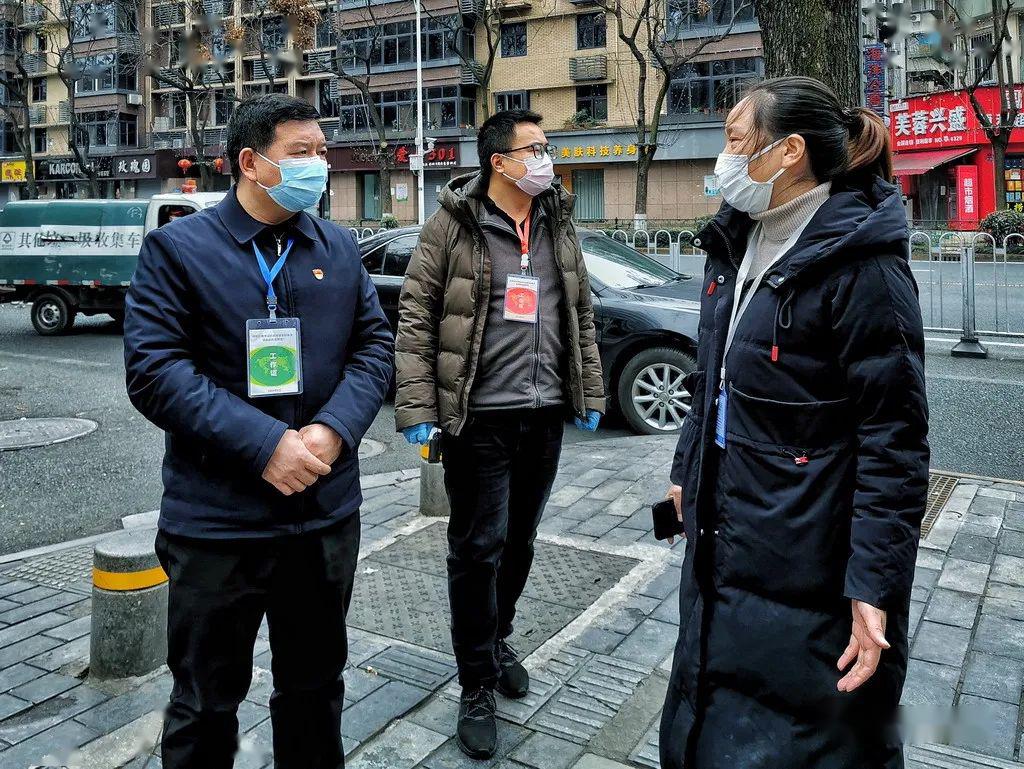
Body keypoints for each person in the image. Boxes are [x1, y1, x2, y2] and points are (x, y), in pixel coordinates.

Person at [659, 76, 930, 769]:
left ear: (789, 154)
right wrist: (685, 471)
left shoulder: (861, 265)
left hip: (809, 556)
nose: (722, 160)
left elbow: (893, 438)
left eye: (735, 140)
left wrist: (875, 586)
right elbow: (711, 376)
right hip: (728, 536)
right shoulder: (737, 242)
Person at [123, 94, 394, 769]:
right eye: (302, 153)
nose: (319, 165)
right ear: (251, 162)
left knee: (314, 692)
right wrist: (265, 444)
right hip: (218, 525)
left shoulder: (337, 246)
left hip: (322, 518)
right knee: (205, 703)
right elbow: (156, 370)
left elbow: (375, 349)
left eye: (322, 151)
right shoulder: (178, 250)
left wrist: (332, 430)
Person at [394, 109, 605, 759]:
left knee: (520, 540)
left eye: (547, 146)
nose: (546, 158)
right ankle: (475, 685)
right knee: (477, 547)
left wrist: (589, 389)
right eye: (535, 148)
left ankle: (496, 635)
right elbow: (416, 318)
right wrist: (417, 407)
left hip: (542, 417)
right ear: (500, 162)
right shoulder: (453, 225)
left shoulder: (555, 221)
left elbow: (581, 310)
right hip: (478, 417)